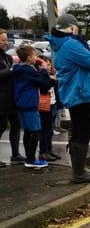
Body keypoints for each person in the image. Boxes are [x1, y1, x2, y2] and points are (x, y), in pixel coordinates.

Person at [44, 13, 90, 183]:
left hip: (74, 92)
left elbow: (84, 59)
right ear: (72, 28)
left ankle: (79, 171)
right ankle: (79, 173)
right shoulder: (71, 44)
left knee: (77, 131)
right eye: (77, 28)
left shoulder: (60, 44)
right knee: (83, 132)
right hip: (82, 93)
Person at [11, 45, 51, 168]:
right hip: (30, 104)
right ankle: (31, 159)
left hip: (20, 103)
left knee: (27, 131)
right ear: (28, 58)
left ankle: (29, 158)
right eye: (34, 55)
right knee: (35, 131)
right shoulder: (28, 70)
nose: (36, 58)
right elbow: (44, 83)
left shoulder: (18, 69)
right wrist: (44, 69)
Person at [0, 29, 25, 166]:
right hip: (1, 99)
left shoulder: (7, 57)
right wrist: (9, 71)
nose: (5, 43)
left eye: (6, 40)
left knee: (16, 125)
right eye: (3, 40)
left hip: (11, 97)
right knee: (1, 127)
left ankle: (15, 154)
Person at [37, 55, 60, 162]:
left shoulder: (50, 75)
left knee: (50, 130)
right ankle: (43, 152)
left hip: (53, 104)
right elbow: (44, 89)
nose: (49, 67)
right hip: (45, 106)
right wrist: (52, 80)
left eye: (50, 64)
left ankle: (49, 150)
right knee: (44, 130)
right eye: (47, 64)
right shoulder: (41, 75)